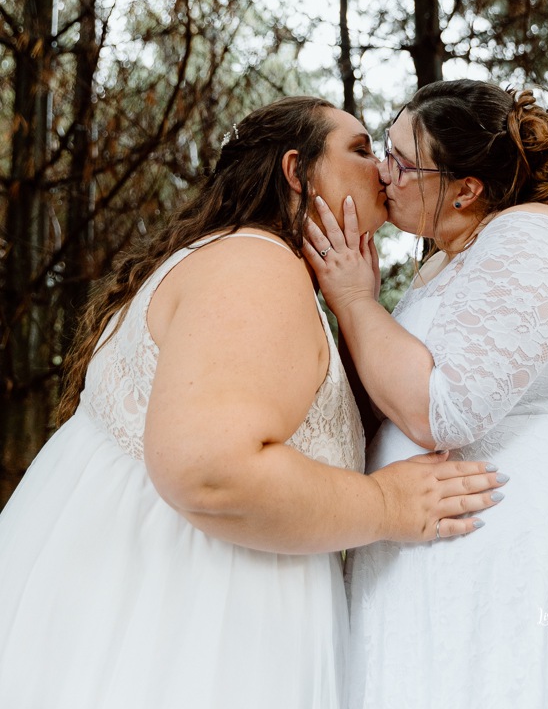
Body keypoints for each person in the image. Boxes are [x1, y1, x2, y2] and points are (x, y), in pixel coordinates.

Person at [0, 96, 506, 709]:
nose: (382, 168)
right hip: (186, 623)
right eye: (361, 149)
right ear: (296, 172)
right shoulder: (254, 264)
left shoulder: (255, 264)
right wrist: (386, 504)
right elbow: (211, 469)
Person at [304, 80, 548, 708]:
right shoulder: (442, 262)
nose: (385, 171)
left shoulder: (531, 236)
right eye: (387, 148)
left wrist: (353, 300)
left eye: (405, 162)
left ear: (466, 189)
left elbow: (444, 409)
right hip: (451, 572)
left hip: (544, 554)